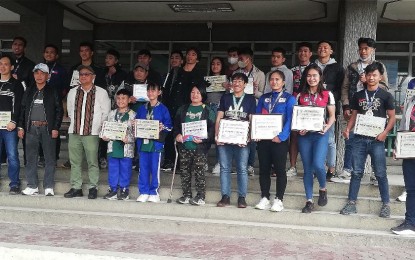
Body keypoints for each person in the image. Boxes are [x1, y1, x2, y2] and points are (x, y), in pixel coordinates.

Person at [340, 62, 395, 218]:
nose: (371, 77)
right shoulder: (358, 95)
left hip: (377, 140)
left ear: (380, 77)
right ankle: (351, 203)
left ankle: (386, 204)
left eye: (374, 75)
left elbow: (391, 118)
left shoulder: (386, 95)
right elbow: (355, 115)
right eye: (369, 75)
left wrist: (385, 132)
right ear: (365, 76)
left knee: (380, 173)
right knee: (356, 172)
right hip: (359, 138)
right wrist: (348, 129)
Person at [336, 37, 389, 184]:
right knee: (350, 139)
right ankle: (347, 169)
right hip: (354, 108)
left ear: (373, 50)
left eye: (366, 48)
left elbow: (385, 88)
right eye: (361, 48)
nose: (363, 51)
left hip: (373, 110)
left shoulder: (379, 66)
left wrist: (368, 81)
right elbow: (345, 88)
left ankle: (374, 173)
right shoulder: (352, 67)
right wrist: (346, 106)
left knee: (374, 140)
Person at [64, 65, 111, 199]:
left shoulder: (101, 92)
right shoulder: (72, 92)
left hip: (92, 132)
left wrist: (101, 129)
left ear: (93, 76)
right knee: (75, 161)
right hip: (74, 131)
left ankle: (93, 187)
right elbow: (70, 110)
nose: (83, 76)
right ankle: (76, 187)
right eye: (81, 74)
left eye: (86, 74)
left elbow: (105, 113)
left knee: (92, 162)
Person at [18, 63, 63, 196]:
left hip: (47, 128)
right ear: (33, 75)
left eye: (42, 73)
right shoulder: (29, 90)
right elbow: (23, 109)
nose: (39, 76)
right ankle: (32, 186)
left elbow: (59, 110)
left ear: (47, 76)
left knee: (50, 158)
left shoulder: (53, 90)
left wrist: (56, 127)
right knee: (30, 158)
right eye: (37, 73)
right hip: (31, 128)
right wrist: (21, 126)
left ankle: (48, 186)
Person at [254, 70, 295, 212]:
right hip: (264, 139)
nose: (274, 82)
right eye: (271, 79)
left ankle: (279, 199)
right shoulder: (264, 98)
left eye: (277, 79)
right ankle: (265, 197)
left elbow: (290, 119)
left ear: (283, 82)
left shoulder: (290, 98)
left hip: (279, 140)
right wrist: (256, 132)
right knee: (264, 169)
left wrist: (282, 136)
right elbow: (257, 116)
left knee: (279, 170)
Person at [296, 64, 336, 213]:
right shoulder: (300, 96)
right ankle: (309, 201)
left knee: (319, 164)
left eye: (315, 76)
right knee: (307, 168)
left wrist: (326, 127)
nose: (311, 78)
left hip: (320, 135)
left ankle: (323, 188)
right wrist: (299, 128)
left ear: (320, 78)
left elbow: (332, 116)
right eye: (309, 76)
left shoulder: (327, 94)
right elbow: (297, 116)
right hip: (305, 136)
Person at [62, 41, 106, 169]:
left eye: (86, 50)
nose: (84, 53)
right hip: (77, 104)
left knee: (94, 134)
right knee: (75, 134)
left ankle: (97, 158)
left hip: (93, 107)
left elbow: (102, 89)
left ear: (92, 53)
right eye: (81, 51)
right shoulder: (74, 69)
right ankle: (72, 160)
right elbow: (68, 88)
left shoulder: (98, 70)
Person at [216, 73, 256, 208]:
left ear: (245, 84)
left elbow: (251, 119)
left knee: (242, 168)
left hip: (242, 140)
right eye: (234, 81)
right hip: (224, 138)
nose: (237, 83)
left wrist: (249, 136)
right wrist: (217, 135)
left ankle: (241, 197)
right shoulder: (226, 98)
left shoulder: (250, 100)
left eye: (240, 81)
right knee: (225, 168)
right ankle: (225, 196)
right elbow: (219, 117)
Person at [162, 47, 204, 171]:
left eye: (193, 54)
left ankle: (183, 163)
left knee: (185, 134)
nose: (190, 57)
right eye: (189, 54)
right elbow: (168, 89)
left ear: (197, 58)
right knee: (170, 133)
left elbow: (200, 92)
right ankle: (169, 160)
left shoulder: (198, 73)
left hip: (188, 109)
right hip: (172, 106)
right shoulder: (176, 71)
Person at [174, 83, 215, 205]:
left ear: (203, 94)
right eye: (192, 92)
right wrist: (177, 135)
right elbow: (176, 126)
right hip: (184, 146)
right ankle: (186, 195)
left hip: (199, 147)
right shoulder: (183, 109)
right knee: (184, 172)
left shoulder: (208, 110)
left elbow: (212, 129)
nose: (195, 95)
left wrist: (204, 139)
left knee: (199, 172)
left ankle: (200, 196)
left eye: (198, 92)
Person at [136, 82, 172, 203]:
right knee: (143, 167)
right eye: (149, 91)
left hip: (156, 144)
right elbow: (137, 124)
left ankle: (153, 191)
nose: (151, 93)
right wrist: (134, 124)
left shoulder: (163, 109)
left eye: (153, 90)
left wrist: (163, 127)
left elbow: (169, 126)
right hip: (143, 143)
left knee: (154, 168)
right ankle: (143, 191)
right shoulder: (142, 108)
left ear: (159, 92)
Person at [314, 40, 344, 181]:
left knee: (330, 139)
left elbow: (340, 88)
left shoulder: (337, 67)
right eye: (320, 47)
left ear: (331, 51)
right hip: (312, 109)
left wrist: (329, 99)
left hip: (329, 107)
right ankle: (317, 167)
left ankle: (331, 168)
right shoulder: (312, 66)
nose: (322, 49)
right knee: (314, 138)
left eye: (326, 47)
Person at [234, 47, 265, 176]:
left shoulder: (259, 74)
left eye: (242, 58)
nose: (240, 60)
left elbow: (262, 94)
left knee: (251, 137)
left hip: (254, 107)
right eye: (239, 58)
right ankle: (239, 164)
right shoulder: (236, 73)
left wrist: (254, 91)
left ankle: (250, 165)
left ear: (249, 59)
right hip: (238, 109)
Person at [38, 43, 69, 167]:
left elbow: (65, 88)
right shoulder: (38, 69)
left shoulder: (61, 70)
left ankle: (54, 157)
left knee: (54, 130)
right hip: (39, 105)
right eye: (46, 52)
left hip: (55, 105)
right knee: (40, 131)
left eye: (52, 52)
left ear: (56, 55)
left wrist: (59, 100)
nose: (49, 54)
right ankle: (41, 157)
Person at [102, 89, 136, 201]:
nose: (120, 100)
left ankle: (124, 190)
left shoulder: (133, 115)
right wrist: (104, 135)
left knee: (125, 169)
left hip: (126, 147)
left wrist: (129, 138)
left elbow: (136, 133)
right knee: (113, 168)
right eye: (118, 98)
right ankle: (113, 190)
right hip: (113, 146)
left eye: (123, 98)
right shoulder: (111, 114)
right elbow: (105, 128)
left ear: (129, 100)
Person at [286, 42, 313, 177]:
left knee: (312, 136)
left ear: (310, 54)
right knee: (294, 136)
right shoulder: (292, 71)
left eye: (305, 51)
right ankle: (292, 166)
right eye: (300, 51)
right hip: (295, 107)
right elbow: (289, 89)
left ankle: (311, 167)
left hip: (312, 108)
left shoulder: (315, 69)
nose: (303, 53)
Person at [391, 94, 415, 235]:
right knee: (411, 189)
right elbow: (403, 125)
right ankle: (410, 222)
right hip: (409, 149)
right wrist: (397, 147)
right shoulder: (410, 101)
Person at [0, 54, 24, 195]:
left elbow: (19, 105)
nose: (2, 67)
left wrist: (14, 121)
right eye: (0, 64)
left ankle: (14, 184)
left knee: (12, 155)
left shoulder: (16, 85)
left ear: (12, 67)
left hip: (10, 127)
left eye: (5, 64)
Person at [207, 57, 227, 175]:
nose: (215, 66)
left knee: (219, 136)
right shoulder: (206, 80)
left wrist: (227, 87)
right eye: (213, 64)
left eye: (218, 64)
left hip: (220, 109)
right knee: (207, 135)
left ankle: (220, 163)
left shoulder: (227, 81)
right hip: (208, 108)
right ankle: (203, 161)